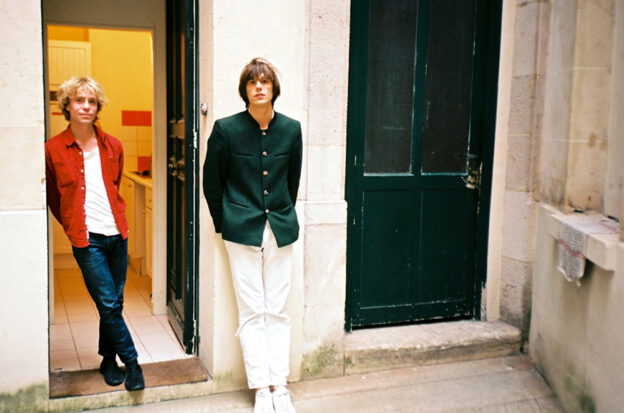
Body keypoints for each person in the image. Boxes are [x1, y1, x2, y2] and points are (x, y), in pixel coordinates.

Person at [203, 58, 302, 413]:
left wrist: (282, 214)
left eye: (265, 81)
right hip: (241, 231)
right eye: (252, 82)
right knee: (251, 310)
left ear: (274, 88)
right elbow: (212, 183)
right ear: (245, 90)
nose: (259, 87)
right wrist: (225, 223)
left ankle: (280, 386)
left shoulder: (291, 129)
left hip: (280, 229)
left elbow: (292, 181)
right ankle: (261, 388)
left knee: (277, 309)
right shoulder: (226, 129)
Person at [46, 76, 145, 391]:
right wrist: (73, 225)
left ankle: (108, 360)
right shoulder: (53, 149)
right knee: (108, 302)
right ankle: (133, 363)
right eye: (79, 100)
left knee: (114, 303)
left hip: (118, 234)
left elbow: (113, 185)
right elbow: (54, 197)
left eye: (92, 101)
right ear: (67, 106)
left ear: (98, 107)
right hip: (87, 240)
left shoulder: (113, 145)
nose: (86, 106)